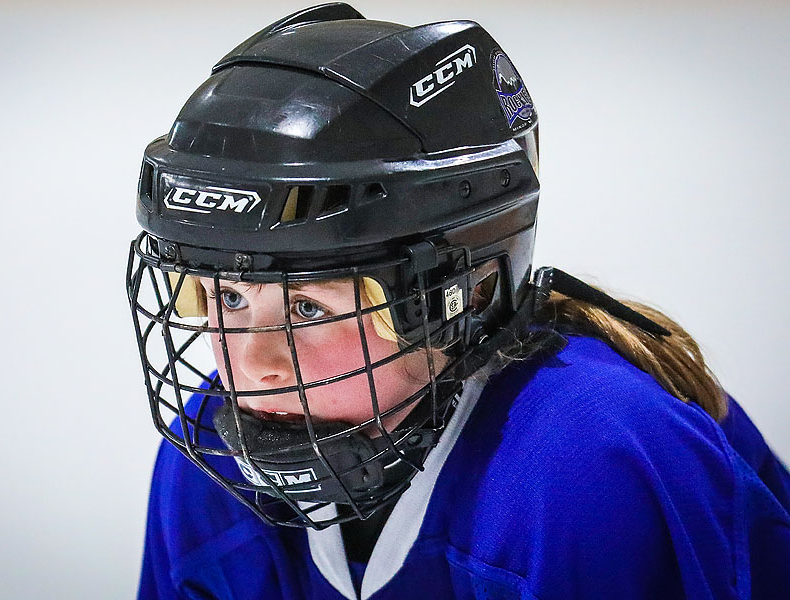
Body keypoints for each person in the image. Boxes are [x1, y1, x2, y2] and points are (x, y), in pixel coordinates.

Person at [126, 4, 790, 599]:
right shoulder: (213, 459)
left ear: (460, 298)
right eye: (229, 297)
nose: (253, 364)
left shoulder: (586, 464)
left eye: (308, 310)